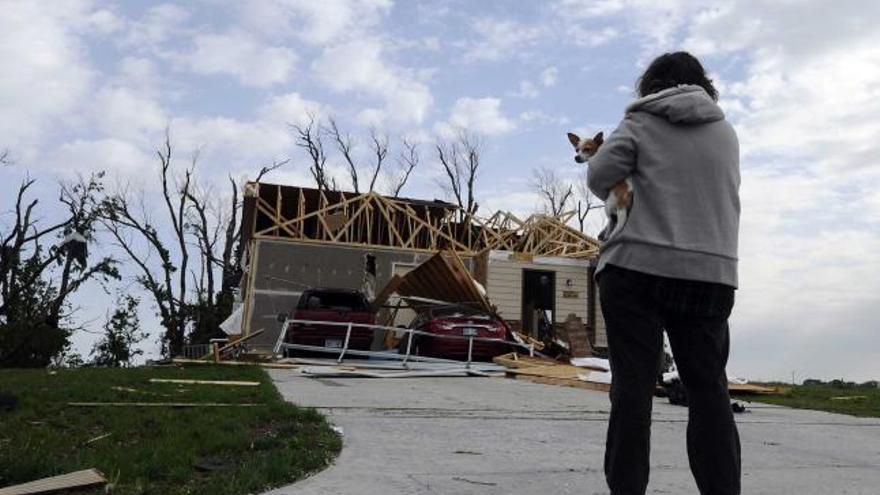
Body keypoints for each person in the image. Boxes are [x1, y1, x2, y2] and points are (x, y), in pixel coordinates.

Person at [586, 51, 741, 495]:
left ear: (651, 85)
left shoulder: (640, 122)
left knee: (632, 392)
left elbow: (599, 176)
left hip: (637, 270)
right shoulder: (724, 132)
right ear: (702, 84)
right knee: (709, 393)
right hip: (710, 275)